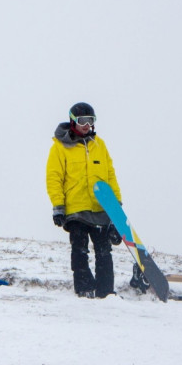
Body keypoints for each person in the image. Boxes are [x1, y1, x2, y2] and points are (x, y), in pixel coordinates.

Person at [45, 103, 124, 298]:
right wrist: (58, 207)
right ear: (73, 121)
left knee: (104, 252)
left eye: (91, 121)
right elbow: (54, 178)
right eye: (82, 121)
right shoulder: (60, 147)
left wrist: (117, 207)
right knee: (79, 251)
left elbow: (110, 176)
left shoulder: (100, 145)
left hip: (100, 209)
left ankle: (106, 291)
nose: (87, 125)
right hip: (76, 210)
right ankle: (85, 288)